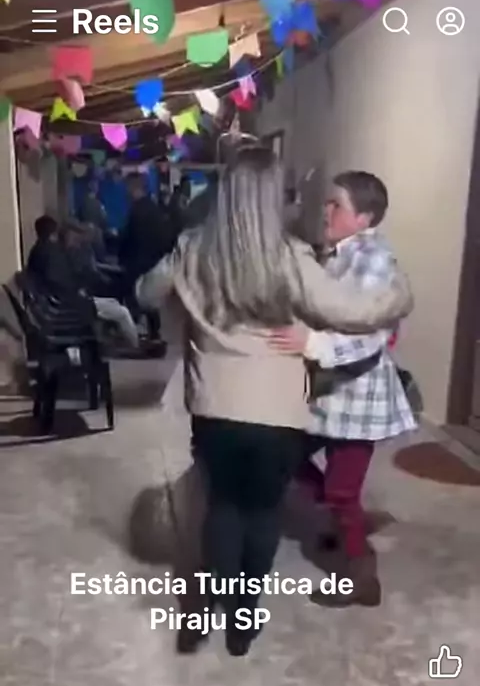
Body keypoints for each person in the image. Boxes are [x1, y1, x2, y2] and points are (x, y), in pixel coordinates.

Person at [136, 146, 413, 657]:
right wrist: (399, 297)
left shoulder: (192, 248)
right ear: (272, 199)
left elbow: (146, 294)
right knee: (262, 513)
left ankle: (209, 606)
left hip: (215, 405)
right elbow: (351, 311)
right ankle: (242, 623)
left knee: (222, 507)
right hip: (278, 413)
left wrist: (184, 299)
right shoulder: (291, 257)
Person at [267, 171, 416, 608]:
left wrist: (311, 343)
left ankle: (362, 576)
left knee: (342, 490)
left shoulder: (373, 260)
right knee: (285, 455)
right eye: (328, 202)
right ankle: (345, 518)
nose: (326, 211)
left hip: (357, 397)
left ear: (364, 217)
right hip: (329, 392)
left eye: (337, 205)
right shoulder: (340, 254)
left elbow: (369, 333)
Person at [62, 221, 139, 349]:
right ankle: (135, 345)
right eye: (73, 236)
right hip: (85, 301)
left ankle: (126, 338)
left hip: (86, 297)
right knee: (123, 311)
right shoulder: (71, 256)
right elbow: (86, 274)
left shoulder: (75, 252)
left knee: (116, 302)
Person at [119, 173, 172, 345]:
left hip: (137, 261)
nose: (126, 192)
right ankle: (154, 333)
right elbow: (164, 237)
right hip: (153, 261)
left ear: (134, 188)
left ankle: (132, 335)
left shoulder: (136, 211)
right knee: (150, 300)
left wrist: (122, 255)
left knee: (132, 298)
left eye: (127, 188)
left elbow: (129, 238)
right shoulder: (153, 208)